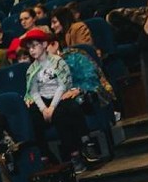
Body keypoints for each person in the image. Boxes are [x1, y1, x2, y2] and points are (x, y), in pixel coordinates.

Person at [21, 28, 98, 172]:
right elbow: (33, 92)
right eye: (29, 48)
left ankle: (77, 153)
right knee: (32, 115)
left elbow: (63, 85)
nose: (31, 50)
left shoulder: (58, 61)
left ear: (44, 45)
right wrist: (44, 108)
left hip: (60, 96)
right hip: (44, 100)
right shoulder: (31, 69)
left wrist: (52, 108)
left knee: (62, 113)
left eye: (34, 46)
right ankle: (45, 156)